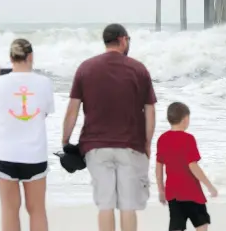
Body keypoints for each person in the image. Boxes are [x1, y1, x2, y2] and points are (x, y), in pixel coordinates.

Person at [61, 23, 157, 231]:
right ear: (123, 40)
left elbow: (72, 109)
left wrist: (65, 141)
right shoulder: (138, 69)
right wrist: (148, 143)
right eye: (128, 40)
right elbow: (150, 110)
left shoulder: (86, 68)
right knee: (128, 206)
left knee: (105, 205)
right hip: (131, 145)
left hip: (95, 147)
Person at [0, 38, 54, 231]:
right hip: (34, 156)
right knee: (37, 210)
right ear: (31, 56)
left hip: (4, 155)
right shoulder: (44, 83)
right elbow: (43, 113)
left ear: (10, 58)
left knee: (10, 210)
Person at [156, 102, 218, 231]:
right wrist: (209, 186)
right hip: (192, 192)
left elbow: (159, 167)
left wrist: (161, 190)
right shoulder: (188, 139)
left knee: (176, 226)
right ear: (185, 119)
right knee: (201, 224)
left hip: (173, 193)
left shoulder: (162, 139)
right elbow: (193, 166)